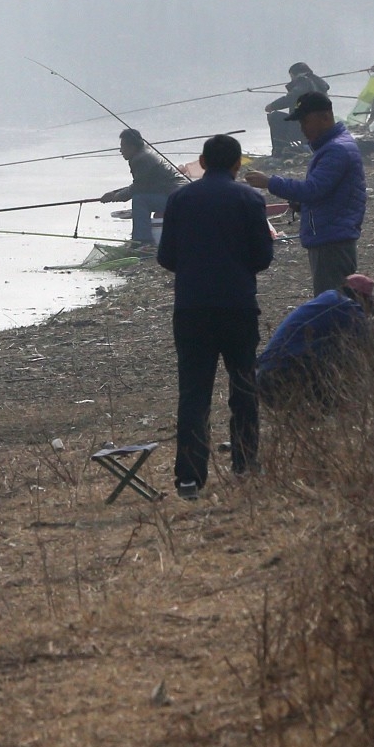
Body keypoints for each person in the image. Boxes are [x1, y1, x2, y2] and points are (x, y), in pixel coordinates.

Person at [153, 133, 274, 499]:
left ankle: (189, 477)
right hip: (238, 304)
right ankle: (244, 463)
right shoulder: (251, 199)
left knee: (194, 392)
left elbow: (165, 257)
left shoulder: (180, 198)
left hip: (192, 308)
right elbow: (263, 258)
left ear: (202, 163)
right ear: (238, 164)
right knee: (243, 386)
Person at [244, 90, 366, 296]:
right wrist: (302, 205)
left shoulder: (336, 150)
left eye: (305, 122)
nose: (302, 129)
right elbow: (326, 192)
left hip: (332, 239)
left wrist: (270, 182)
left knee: (332, 302)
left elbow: (313, 189)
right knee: (337, 299)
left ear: (325, 117)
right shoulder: (331, 146)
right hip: (331, 233)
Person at [256, 273, 374, 402]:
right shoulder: (346, 306)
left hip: (268, 375)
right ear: (360, 297)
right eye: (369, 307)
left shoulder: (328, 299)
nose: (367, 313)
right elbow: (371, 347)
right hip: (284, 377)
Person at [97, 126, 182, 247]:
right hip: (174, 196)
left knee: (140, 200)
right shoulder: (145, 153)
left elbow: (137, 188)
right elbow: (141, 185)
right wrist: (114, 193)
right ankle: (142, 238)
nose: (120, 151)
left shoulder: (141, 159)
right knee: (140, 197)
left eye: (122, 147)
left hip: (176, 199)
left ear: (132, 147)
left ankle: (143, 241)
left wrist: (115, 196)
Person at [263, 62, 330, 156]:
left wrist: (272, 106)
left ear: (296, 74)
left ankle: (278, 151)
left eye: (291, 76)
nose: (291, 79)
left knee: (275, 116)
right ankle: (289, 149)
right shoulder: (319, 84)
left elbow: (292, 97)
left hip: (305, 128)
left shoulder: (303, 81)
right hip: (322, 127)